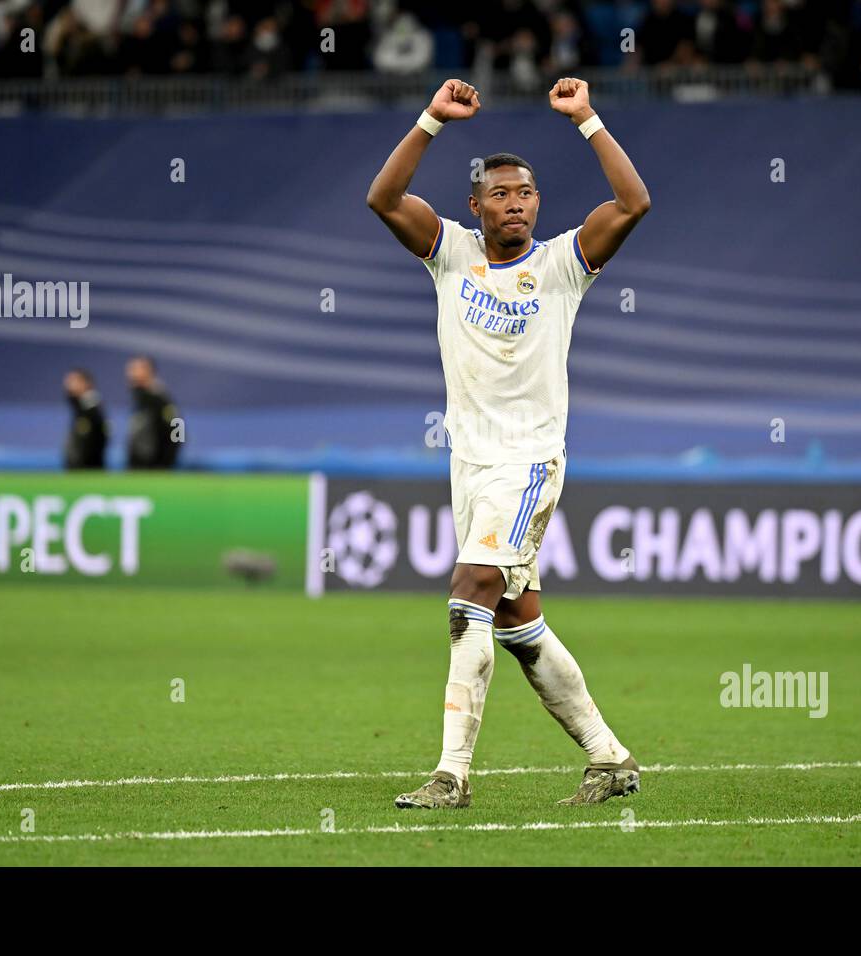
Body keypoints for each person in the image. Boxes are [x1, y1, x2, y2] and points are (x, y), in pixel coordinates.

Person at [367, 76, 651, 808]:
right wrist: (431, 118)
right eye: (500, 193)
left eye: (525, 192)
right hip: (469, 463)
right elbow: (384, 199)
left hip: (527, 462)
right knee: (519, 625)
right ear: (476, 205)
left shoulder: (559, 267)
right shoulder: (450, 254)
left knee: (468, 598)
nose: (516, 203)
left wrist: (587, 119)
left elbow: (632, 203)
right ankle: (609, 757)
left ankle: (450, 775)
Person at [125, 355, 181, 469]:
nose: (130, 373)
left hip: (153, 467)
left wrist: (166, 463)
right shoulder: (141, 397)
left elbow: (178, 429)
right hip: (138, 465)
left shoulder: (159, 398)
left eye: (135, 369)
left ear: (148, 371)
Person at [62, 367, 108, 470]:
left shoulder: (92, 409)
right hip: (78, 468)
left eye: (73, 381)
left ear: (86, 383)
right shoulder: (80, 407)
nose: (68, 386)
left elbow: (99, 441)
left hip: (88, 469)